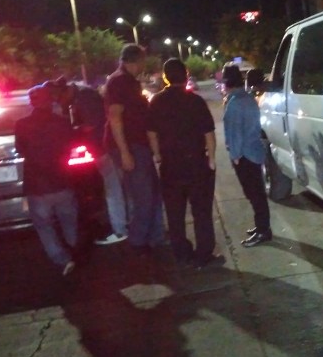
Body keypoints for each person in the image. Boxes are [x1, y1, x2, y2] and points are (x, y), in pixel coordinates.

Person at [146, 58, 218, 269]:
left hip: (171, 166)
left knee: (175, 213)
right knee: (201, 212)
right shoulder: (195, 101)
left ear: (165, 77)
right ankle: (204, 254)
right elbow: (209, 133)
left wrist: (157, 155)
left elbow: (151, 132)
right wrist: (212, 159)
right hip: (196, 164)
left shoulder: (156, 101)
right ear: (186, 76)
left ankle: (181, 253)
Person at [48, 76, 129, 245]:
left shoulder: (85, 97)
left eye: (60, 98)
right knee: (114, 189)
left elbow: (90, 125)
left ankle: (120, 229)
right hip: (101, 149)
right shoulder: (81, 96)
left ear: (66, 91)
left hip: (104, 148)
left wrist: (73, 130)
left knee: (113, 190)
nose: (61, 102)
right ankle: (124, 224)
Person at [103, 43, 166, 256]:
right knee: (143, 195)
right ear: (136, 61)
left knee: (152, 192)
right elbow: (115, 117)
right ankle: (139, 240)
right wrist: (124, 152)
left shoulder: (128, 81)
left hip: (138, 145)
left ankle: (155, 236)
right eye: (142, 61)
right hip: (131, 146)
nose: (143, 66)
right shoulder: (120, 81)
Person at [14, 84, 79, 277]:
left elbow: (20, 149)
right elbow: (71, 145)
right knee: (69, 220)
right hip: (63, 180)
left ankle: (63, 258)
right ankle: (74, 251)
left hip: (37, 185)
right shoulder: (62, 122)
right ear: (50, 101)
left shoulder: (22, 125)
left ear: (32, 103)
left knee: (44, 226)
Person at [222, 63, 272, 247]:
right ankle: (262, 227)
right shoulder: (247, 98)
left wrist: (235, 155)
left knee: (254, 194)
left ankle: (263, 231)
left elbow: (235, 132)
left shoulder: (235, 103)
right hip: (253, 151)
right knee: (257, 193)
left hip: (245, 155)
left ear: (226, 82)